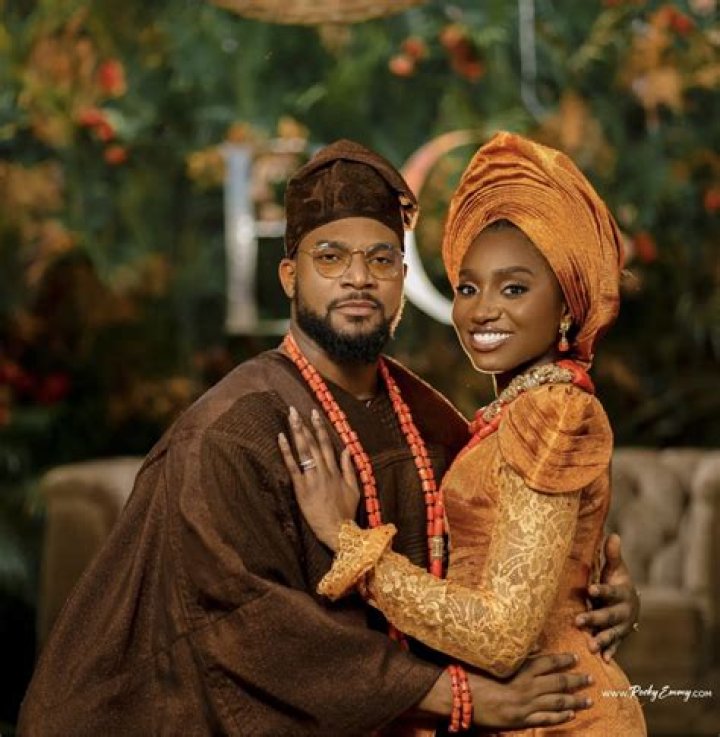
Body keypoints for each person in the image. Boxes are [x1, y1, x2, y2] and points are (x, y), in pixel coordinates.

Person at [18, 140, 638, 737]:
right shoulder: (229, 433)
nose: (358, 279)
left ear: (403, 276)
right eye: (331, 258)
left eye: (381, 260)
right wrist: (455, 697)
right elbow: (247, 626)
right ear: (290, 276)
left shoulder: (431, 419)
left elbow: (503, 563)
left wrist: (591, 597)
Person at [281, 133, 647, 735]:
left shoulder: (554, 414)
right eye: (468, 288)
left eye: (514, 288)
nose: (482, 311)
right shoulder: (515, 408)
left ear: (566, 305)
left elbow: (501, 638)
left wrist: (350, 545)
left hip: (558, 714)